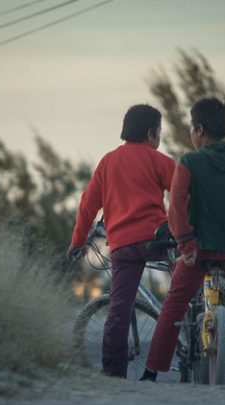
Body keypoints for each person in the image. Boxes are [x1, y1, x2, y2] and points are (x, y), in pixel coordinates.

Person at [140, 96, 225, 386]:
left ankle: (151, 373)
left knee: (174, 304)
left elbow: (176, 205)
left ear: (199, 129)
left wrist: (186, 246)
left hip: (198, 251)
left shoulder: (190, 162)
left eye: (191, 127)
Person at [67, 104, 175, 378]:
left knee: (118, 311)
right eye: (159, 132)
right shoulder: (159, 160)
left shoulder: (108, 162)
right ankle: (192, 328)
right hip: (157, 242)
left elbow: (88, 205)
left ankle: (114, 374)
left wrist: (78, 241)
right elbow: (185, 193)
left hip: (124, 247)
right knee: (182, 286)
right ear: (151, 133)